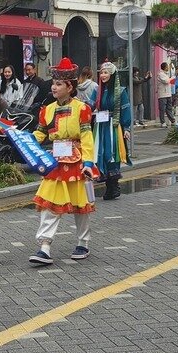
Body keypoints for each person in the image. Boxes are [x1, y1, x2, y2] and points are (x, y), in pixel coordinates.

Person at [28, 59, 95, 265]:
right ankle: (44, 247)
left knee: (80, 205)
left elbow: (86, 136)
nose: (54, 87)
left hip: (77, 161)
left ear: (70, 86)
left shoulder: (82, 108)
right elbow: (40, 134)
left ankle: (83, 242)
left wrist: (89, 162)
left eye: (58, 84)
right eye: (53, 83)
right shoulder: (46, 109)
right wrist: (21, 139)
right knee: (49, 205)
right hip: (55, 163)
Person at [93, 62, 132, 201]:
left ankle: (113, 186)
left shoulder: (121, 91)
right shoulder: (97, 91)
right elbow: (90, 106)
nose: (103, 75)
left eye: (106, 73)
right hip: (100, 126)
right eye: (101, 73)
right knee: (101, 154)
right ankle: (108, 185)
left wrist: (126, 128)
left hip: (113, 126)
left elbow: (125, 109)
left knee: (112, 154)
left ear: (112, 74)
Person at [155, 61, 175, 127]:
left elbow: (170, 78)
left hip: (168, 93)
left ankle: (173, 121)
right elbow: (166, 81)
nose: (168, 68)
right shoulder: (160, 74)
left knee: (169, 108)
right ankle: (162, 122)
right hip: (162, 94)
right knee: (162, 109)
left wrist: (172, 69)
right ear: (164, 67)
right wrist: (172, 78)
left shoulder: (166, 74)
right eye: (167, 67)